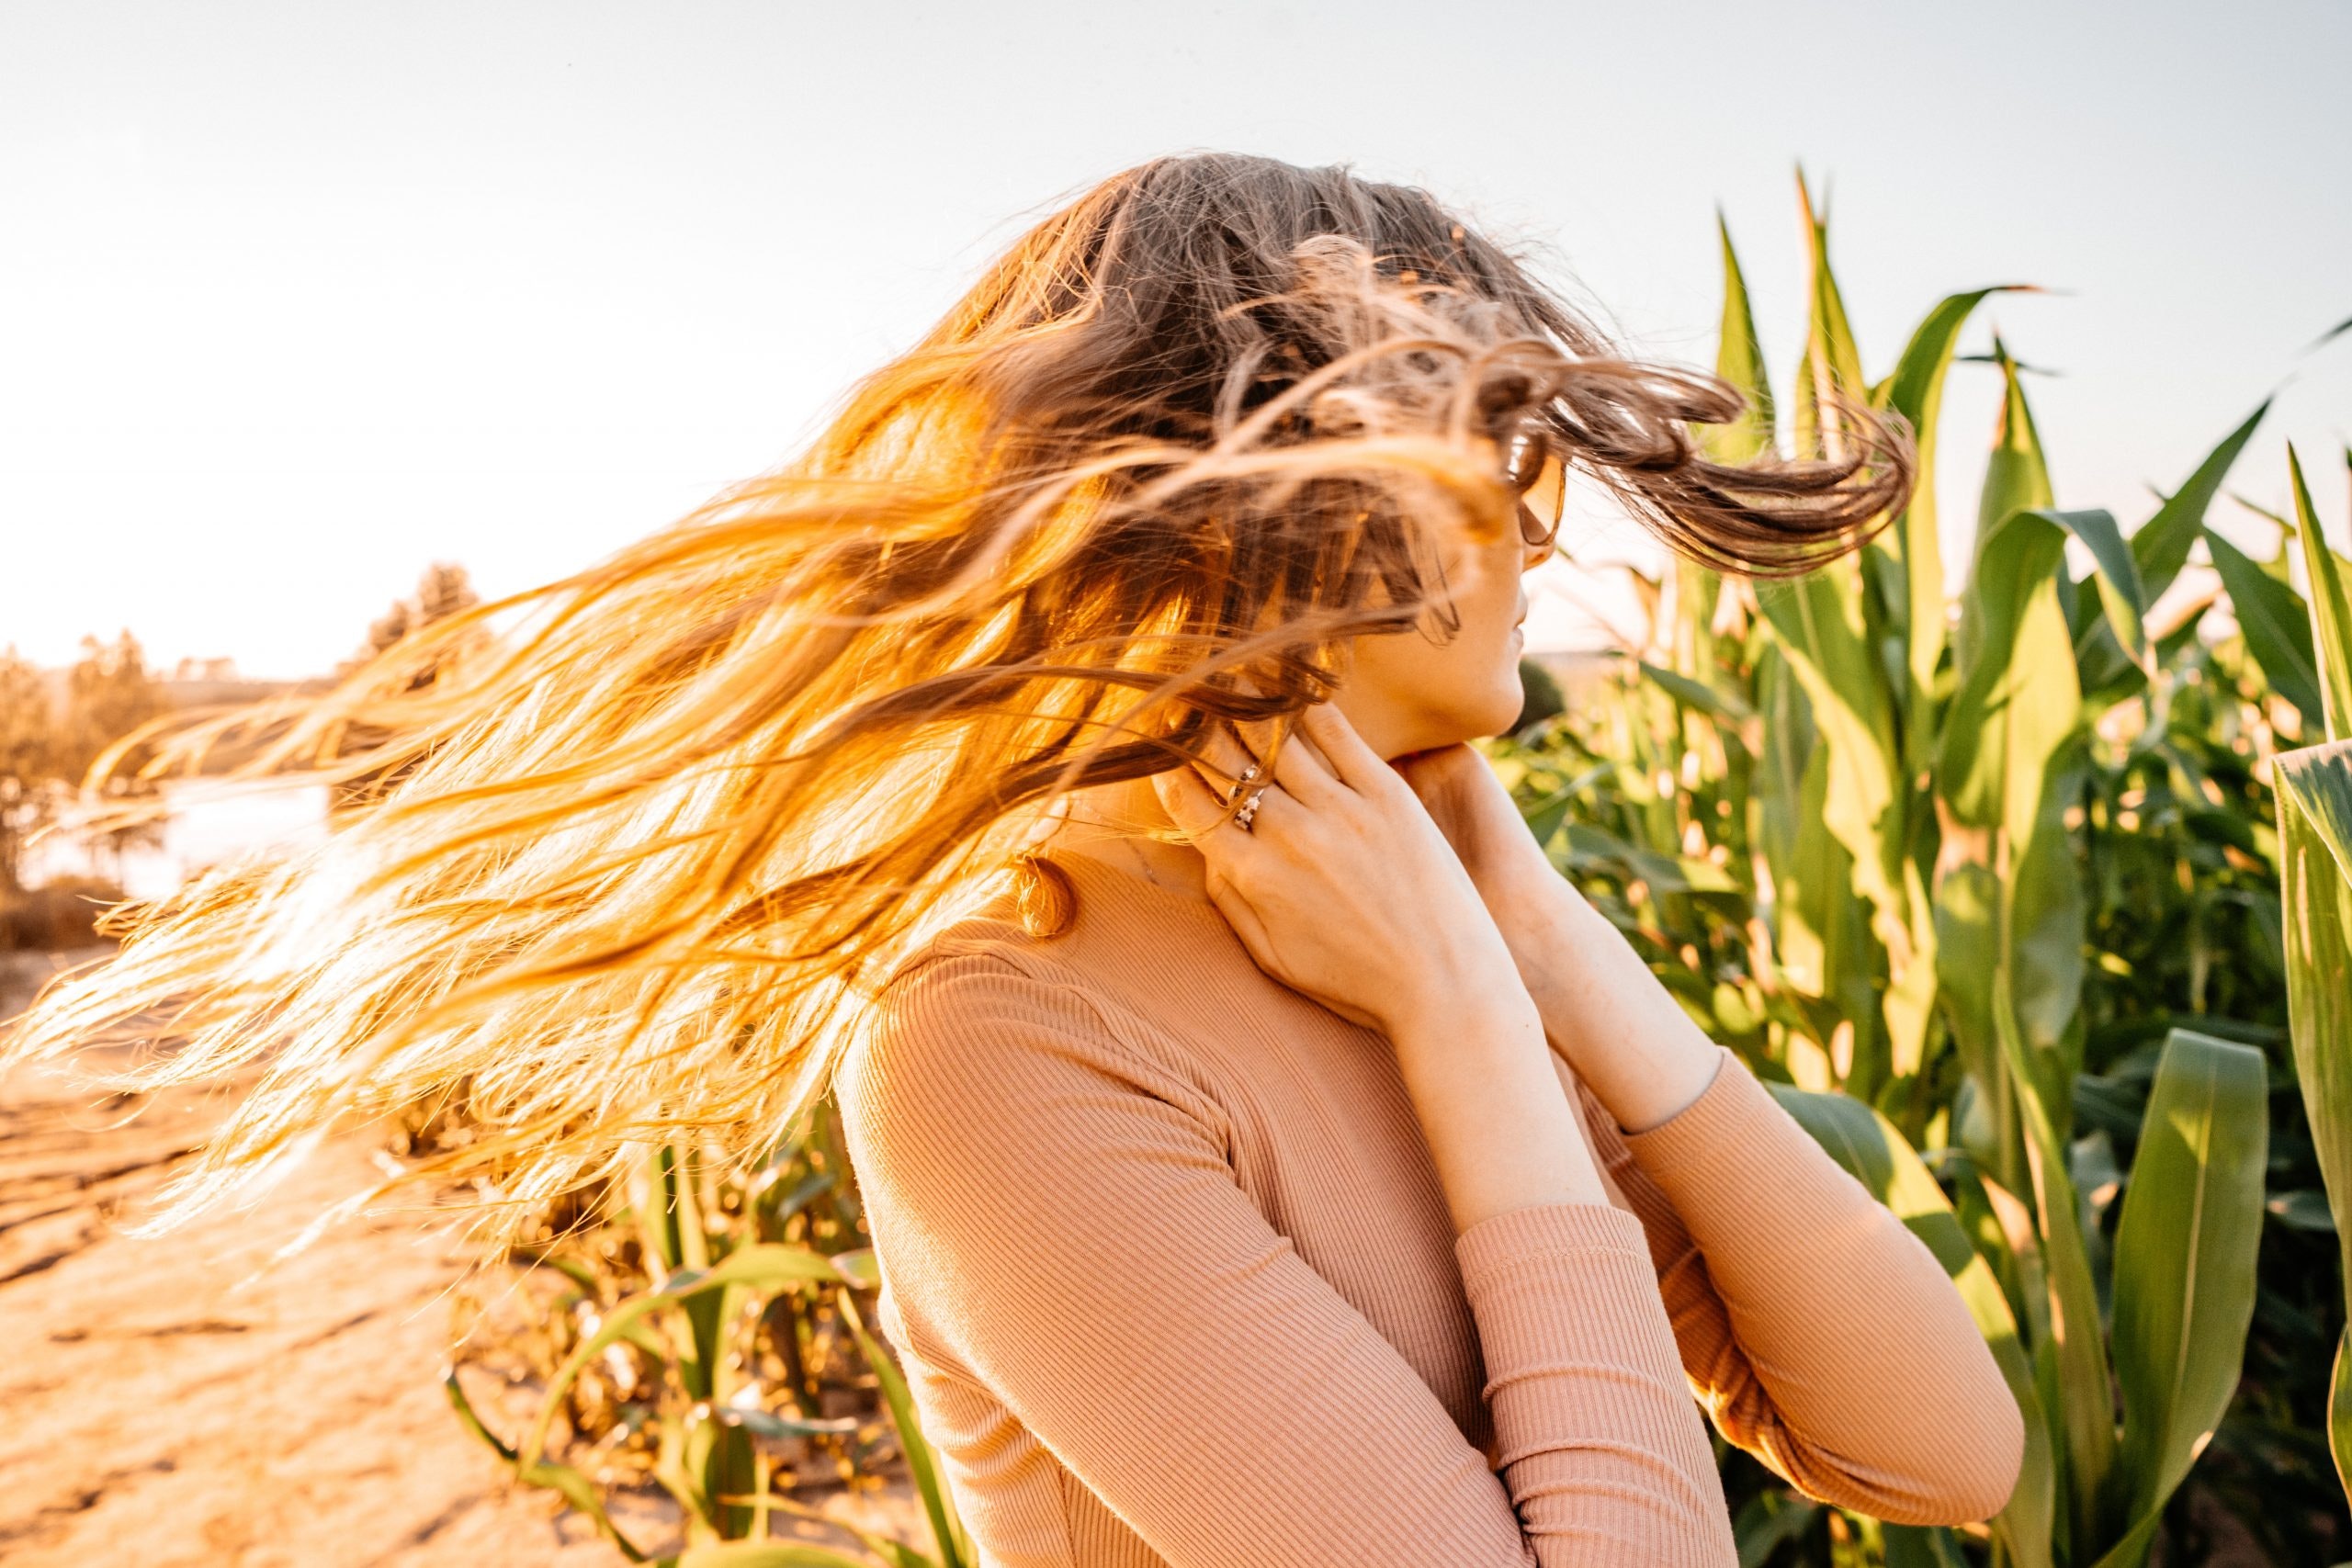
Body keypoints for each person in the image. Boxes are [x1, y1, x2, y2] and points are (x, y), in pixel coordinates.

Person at [5, 152, 2021, 1563]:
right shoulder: (1004, 1036)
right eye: (1483, 437)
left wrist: (1541, 952)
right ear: (1266, 480)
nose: (1539, 511)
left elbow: (1943, 1449)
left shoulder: (1418, 911)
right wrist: (1482, 1046)